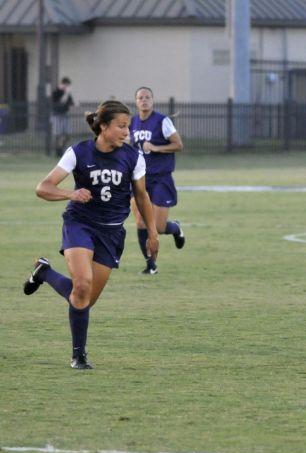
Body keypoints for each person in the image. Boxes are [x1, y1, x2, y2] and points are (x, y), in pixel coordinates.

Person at [22, 100, 159, 369]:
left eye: (127, 127)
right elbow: (43, 187)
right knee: (82, 285)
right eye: (121, 126)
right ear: (104, 126)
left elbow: (142, 195)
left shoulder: (133, 157)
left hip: (111, 233)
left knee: (83, 299)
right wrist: (70, 193)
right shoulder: (79, 152)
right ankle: (79, 356)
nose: (126, 132)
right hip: (80, 224)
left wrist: (152, 232)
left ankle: (45, 273)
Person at [129, 87, 185, 275]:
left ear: (153, 100)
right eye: (140, 98)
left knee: (159, 227)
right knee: (140, 222)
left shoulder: (162, 121)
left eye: (147, 97)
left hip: (161, 178)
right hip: (139, 179)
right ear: (136, 102)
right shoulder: (132, 122)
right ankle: (151, 264)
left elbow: (178, 145)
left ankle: (175, 228)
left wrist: (155, 147)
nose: (144, 100)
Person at [51, 77, 76, 157]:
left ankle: (61, 148)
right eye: (67, 85)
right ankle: (57, 152)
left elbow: (71, 102)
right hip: (57, 115)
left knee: (68, 134)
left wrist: (74, 103)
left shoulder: (67, 93)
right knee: (57, 134)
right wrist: (66, 93)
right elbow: (62, 101)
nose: (67, 87)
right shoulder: (56, 92)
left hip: (65, 115)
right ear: (62, 84)